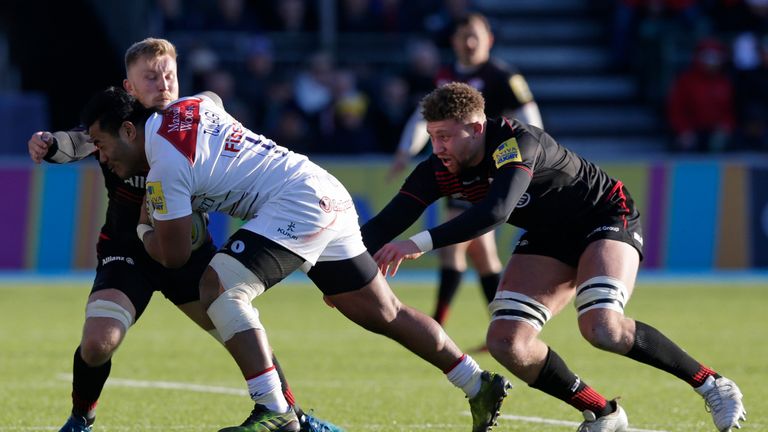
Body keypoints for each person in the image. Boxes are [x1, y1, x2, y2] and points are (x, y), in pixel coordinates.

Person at [79, 86, 513, 432]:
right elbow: (213, 99)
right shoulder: (190, 106)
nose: (101, 155)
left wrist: (142, 227)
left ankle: (273, 409)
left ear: (130, 131)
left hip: (297, 203)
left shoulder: (165, 167)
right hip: (320, 185)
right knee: (383, 311)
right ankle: (477, 383)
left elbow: (173, 258)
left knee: (217, 287)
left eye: (100, 143)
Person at [363, 82, 747, 432]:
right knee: (506, 342)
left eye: (445, 136)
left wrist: (417, 244)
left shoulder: (514, 142)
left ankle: (712, 384)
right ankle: (603, 413)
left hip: (604, 215)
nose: (437, 148)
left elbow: (494, 212)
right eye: (432, 137)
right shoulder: (440, 168)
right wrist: (339, 269)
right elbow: (386, 222)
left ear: (477, 128)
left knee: (603, 328)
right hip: (549, 235)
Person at [27, 38, 341, 432]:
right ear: (130, 87)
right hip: (129, 253)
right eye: (150, 77)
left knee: (238, 332)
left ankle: (291, 415)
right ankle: (80, 419)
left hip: (186, 254)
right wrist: (48, 143)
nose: (162, 84)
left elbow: (218, 114)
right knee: (97, 343)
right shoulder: (118, 119)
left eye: (169, 75)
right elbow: (78, 142)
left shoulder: (192, 116)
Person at [389, 12, 543, 337]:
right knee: (479, 252)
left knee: (459, 245)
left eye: (475, 35)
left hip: (491, 170)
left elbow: (529, 117)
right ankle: (503, 324)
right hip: (456, 168)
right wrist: (408, 149)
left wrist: (531, 157)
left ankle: (440, 323)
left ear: (490, 39)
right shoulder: (444, 76)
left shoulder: (503, 75)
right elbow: (423, 119)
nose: (469, 42)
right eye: (463, 36)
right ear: (454, 41)